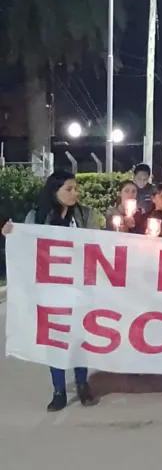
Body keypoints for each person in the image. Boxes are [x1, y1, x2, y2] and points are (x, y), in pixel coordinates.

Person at [2, 170, 98, 412]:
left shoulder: (85, 215)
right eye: (69, 189)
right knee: (55, 340)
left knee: (80, 338)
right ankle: (58, 390)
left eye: (76, 188)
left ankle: (82, 383)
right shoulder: (37, 217)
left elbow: (99, 245)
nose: (75, 193)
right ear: (54, 191)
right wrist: (12, 235)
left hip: (80, 288)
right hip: (51, 290)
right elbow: (26, 246)